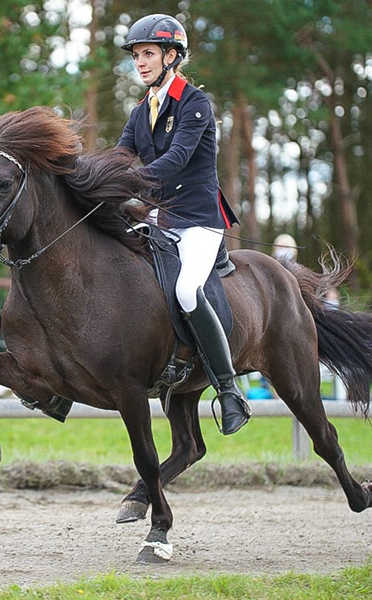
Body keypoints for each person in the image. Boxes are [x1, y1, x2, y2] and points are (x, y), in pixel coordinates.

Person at [117, 14, 249, 434]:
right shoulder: (141, 112)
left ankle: (229, 392)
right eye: (136, 55)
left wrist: (131, 182)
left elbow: (176, 159)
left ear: (171, 56)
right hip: (159, 219)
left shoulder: (194, 103)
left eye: (148, 54)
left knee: (187, 290)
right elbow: (119, 157)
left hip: (198, 220)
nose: (140, 62)